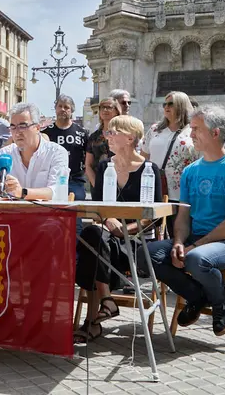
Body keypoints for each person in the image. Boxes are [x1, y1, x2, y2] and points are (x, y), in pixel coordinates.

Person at [146, 106, 225, 336]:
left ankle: (221, 300)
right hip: (198, 240)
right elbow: (183, 216)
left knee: (195, 258)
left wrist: (194, 246)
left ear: (215, 133)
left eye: (195, 129)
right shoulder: (191, 172)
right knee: (146, 254)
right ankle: (197, 296)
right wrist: (177, 242)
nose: (191, 134)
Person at [73, 115, 163, 342]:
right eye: (107, 132)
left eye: (113, 133)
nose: (107, 137)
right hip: (107, 237)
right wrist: (107, 221)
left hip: (137, 242)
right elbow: (100, 208)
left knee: (93, 246)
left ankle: (93, 320)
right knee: (91, 235)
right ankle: (107, 300)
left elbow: (154, 218)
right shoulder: (104, 167)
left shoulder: (150, 169)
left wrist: (126, 229)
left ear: (130, 138)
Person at [0, 103, 68, 201]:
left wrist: (22, 192)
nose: (17, 132)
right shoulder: (3, 154)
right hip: (10, 214)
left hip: (46, 215)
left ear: (37, 128)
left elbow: (56, 191)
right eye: (13, 127)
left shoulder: (56, 153)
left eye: (23, 126)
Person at [140, 91, 198, 232]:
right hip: (155, 188)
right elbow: (144, 157)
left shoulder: (192, 130)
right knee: (154, 231)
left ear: (182, 105)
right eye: (164, 104)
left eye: (171, 103)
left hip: (182, 191)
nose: (166, 107)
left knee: (178, 231)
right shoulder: (155, 129)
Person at [42, 94, 88, 201]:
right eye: (60, 106)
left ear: (72, 110)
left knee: (76, 209)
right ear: (55, 108)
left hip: (75, 180)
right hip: (52, 180)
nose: (63, 109)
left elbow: (88, 156)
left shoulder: (82, 133)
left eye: (66, 107)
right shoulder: (46, 133)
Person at [85, 98, 123, 188]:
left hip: (120, 183)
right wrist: (96, 185)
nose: (105, 110)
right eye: (102, 107)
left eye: (109, 107)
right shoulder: (94, 137)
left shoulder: (122, 135)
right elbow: (88, 164)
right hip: (98, 182)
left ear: (117, 111)